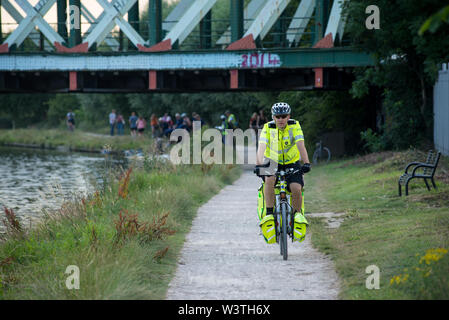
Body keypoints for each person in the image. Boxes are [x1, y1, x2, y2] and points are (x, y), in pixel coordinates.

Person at [256, 102, 311, 242]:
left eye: (283, 116)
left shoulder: (295, 125)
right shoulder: (268, 127)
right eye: (278, 116)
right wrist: (258, 164)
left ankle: (296, 216)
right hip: (272, 161)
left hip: (291, 162)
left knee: (296, 188)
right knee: (269, 180)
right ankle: (269, 213)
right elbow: (262, 146)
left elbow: (300, 145)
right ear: (273, 117)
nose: (280, 119)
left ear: (288, 116)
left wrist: (306, 163)